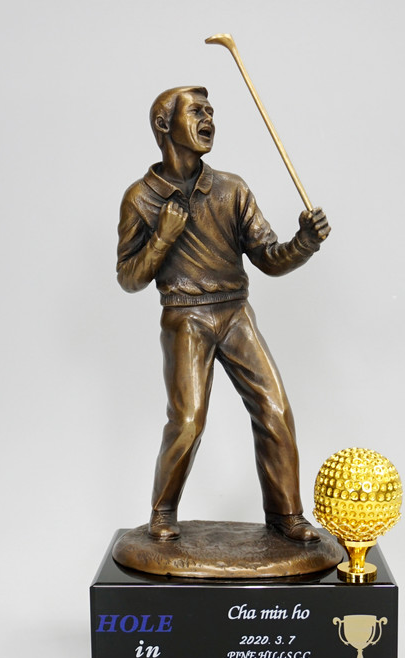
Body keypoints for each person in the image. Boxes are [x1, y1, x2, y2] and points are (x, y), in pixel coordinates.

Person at [117, 86, 330, 543]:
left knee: (275, 408)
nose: (208, 119)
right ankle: (162, 511)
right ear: (163, 125)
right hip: (185, 318)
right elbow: (129, 278)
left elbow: (269, 258)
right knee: (187, 421)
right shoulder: (140, 198)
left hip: (235, 314)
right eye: (197, 111)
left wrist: (305, 242)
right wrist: (163, 236)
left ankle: (286, 515)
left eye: (211, 111)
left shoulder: (232, 189)